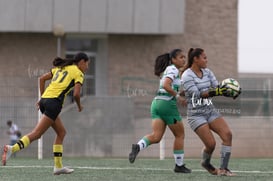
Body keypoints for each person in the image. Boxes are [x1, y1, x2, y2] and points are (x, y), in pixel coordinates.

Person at [1, 52, 89, 175]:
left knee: (61, 132)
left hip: (45, 101)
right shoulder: (78, 73)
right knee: (37, 134)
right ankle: (11, 148)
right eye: (87, 64)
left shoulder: (61, 67)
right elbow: (76, 94)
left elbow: (41, 79)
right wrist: (79, 106)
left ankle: (58, 167)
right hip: (54, 104)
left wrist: (43, 98)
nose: (87, 67)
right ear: (81, 62)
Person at [129, 49, 191, 173]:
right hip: (166, 104)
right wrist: (178, 97)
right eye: (181, 57)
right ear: (173, 59)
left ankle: (138, 146)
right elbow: (166, 85)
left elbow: (170, 85)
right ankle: (179, 165)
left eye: (185, 57)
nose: (184, 59)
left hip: (156, 104)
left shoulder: (170, 70)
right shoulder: (173, 69)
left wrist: (181, 93)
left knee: (156, 137)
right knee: (180, 135)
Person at [181, 48, 240, 176]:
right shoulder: (187, 75)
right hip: (196, 115)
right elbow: (196, 95)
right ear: (196, 59)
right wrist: (216, 91)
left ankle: (224, 169)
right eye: (204, 57)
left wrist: (230, 91)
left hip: (210, 110)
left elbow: (216, 87)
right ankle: (206, 163)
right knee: (211, 144)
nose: (206, 60)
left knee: (227, 135)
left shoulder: (207, 72)